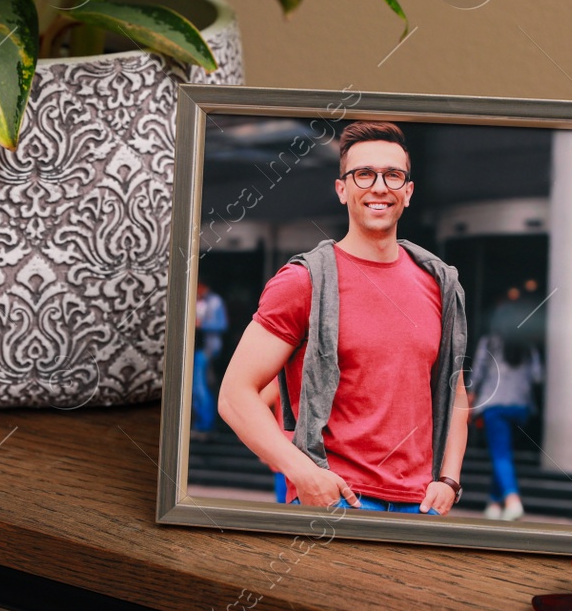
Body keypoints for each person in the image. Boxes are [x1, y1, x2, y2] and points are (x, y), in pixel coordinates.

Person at [218, 121, 471, 515]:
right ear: (342, 189)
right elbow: (235, 395)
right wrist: (302, 473)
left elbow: (453, 389)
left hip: (420, 508)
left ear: (408, 191)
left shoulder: (439, 283)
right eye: (364, 174)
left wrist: (449, 481)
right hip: (338, 501)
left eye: (393, 175)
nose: (379, 186)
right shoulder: (304, 281)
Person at [471, 286, 544, 521]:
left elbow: (477, 376)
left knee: (500, 454)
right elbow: (538, 377)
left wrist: (471, 399)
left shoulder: (490, 343)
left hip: (495, 407)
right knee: (502, 453)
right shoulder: (527, 347)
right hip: (520, 409)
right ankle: (493, 503)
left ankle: (513, 501)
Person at [191, 281, 228, 435]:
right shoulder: (197, 300)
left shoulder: (214, 301)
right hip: (196, 348)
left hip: (207, 349)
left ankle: (206, 424)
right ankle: (201, 422)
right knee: (195, 388)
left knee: (201, 386)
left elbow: (222, 324)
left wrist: (202, 324)